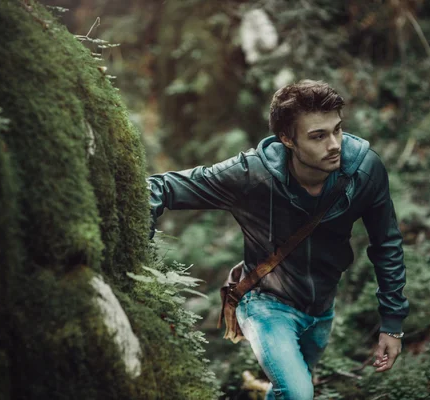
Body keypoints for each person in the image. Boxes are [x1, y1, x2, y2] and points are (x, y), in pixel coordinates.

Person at [148, 80, 409, 400]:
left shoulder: (365, 170)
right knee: (299, 394)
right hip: (264, 302)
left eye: (337, 130)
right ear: (287, 139)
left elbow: (387, 246)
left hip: (322, 309)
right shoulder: (251, 174)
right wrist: (138, 251)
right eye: (318, 136)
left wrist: (392, 324)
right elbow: (161, 188)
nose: (334, 144)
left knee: (288, 392)